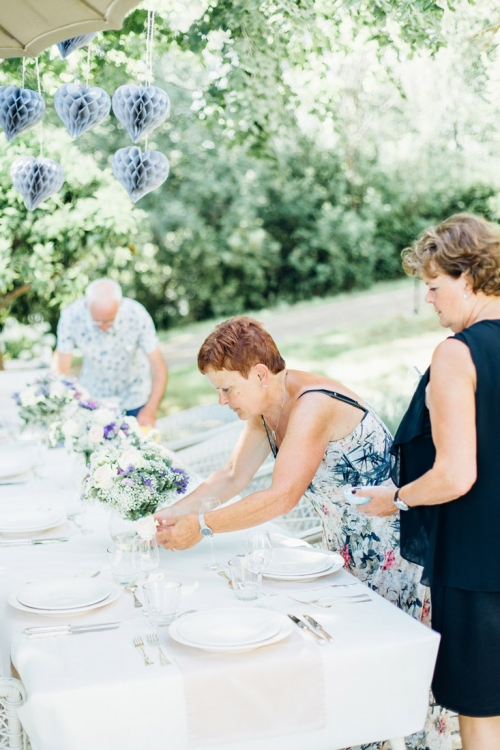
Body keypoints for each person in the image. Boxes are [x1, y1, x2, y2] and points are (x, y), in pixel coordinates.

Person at [155, 315, 452, 750]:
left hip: (398, 555)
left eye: (226, 388)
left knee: (394, 684)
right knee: (352, 683)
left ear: (259, 374)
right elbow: (233, 475)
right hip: (344, 559)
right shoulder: (265, 406)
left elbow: (282, 497)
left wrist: (200, 527)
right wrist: (164, 516)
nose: (221, 400)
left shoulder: (313, 405)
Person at [354, 213, 500, 750]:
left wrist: (395, 498)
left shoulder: (457, 353)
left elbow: (456, 474)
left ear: (469, 277)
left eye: (435, 287)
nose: (430, 301)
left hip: (478, 563)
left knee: (485, 715)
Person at [53, 278, 167, 426]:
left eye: (110, 321)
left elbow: (158, 367)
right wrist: (66, 405)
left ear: (120, 305)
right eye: (99, 322)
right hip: (94, 399)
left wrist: (150, 409)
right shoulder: (71, 316)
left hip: (135, 397)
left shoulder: (137, 315)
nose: (105, 327)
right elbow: (61, 368)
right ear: (87, 306)